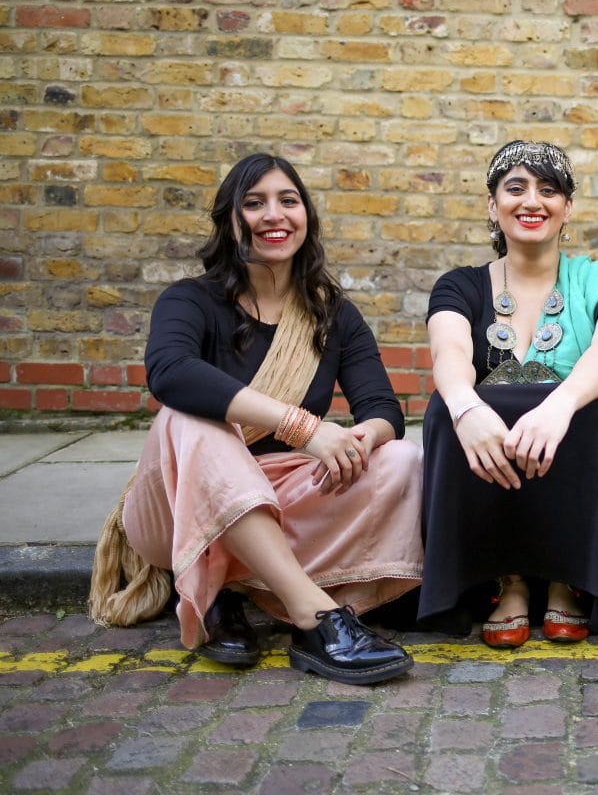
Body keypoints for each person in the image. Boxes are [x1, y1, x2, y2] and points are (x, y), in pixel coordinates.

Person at [119, 153, 421, 685]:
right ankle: (316, 616)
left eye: (288, 201)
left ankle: (226, 594)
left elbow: (384, 411)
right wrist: (303, 428)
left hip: (279, 500)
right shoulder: (189, 300)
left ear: (307, 216)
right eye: (254, 203)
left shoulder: (331, 314)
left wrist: (357, 439)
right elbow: (170, 373)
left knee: (400, 457)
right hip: (174, 505)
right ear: (230, 220)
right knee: (189, 418)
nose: (273, 215)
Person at [418, 140, 598, 648]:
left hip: (576, 428)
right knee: (444, 411)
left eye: (549, 190)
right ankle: (509, 579)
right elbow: (449, 352)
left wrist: (559, 406)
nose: (532, 202)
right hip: (494, 434)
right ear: (492, 205)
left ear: (568, 207)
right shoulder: (460, 285)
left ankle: (570, 579)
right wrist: (465, 406)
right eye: (514, 188)